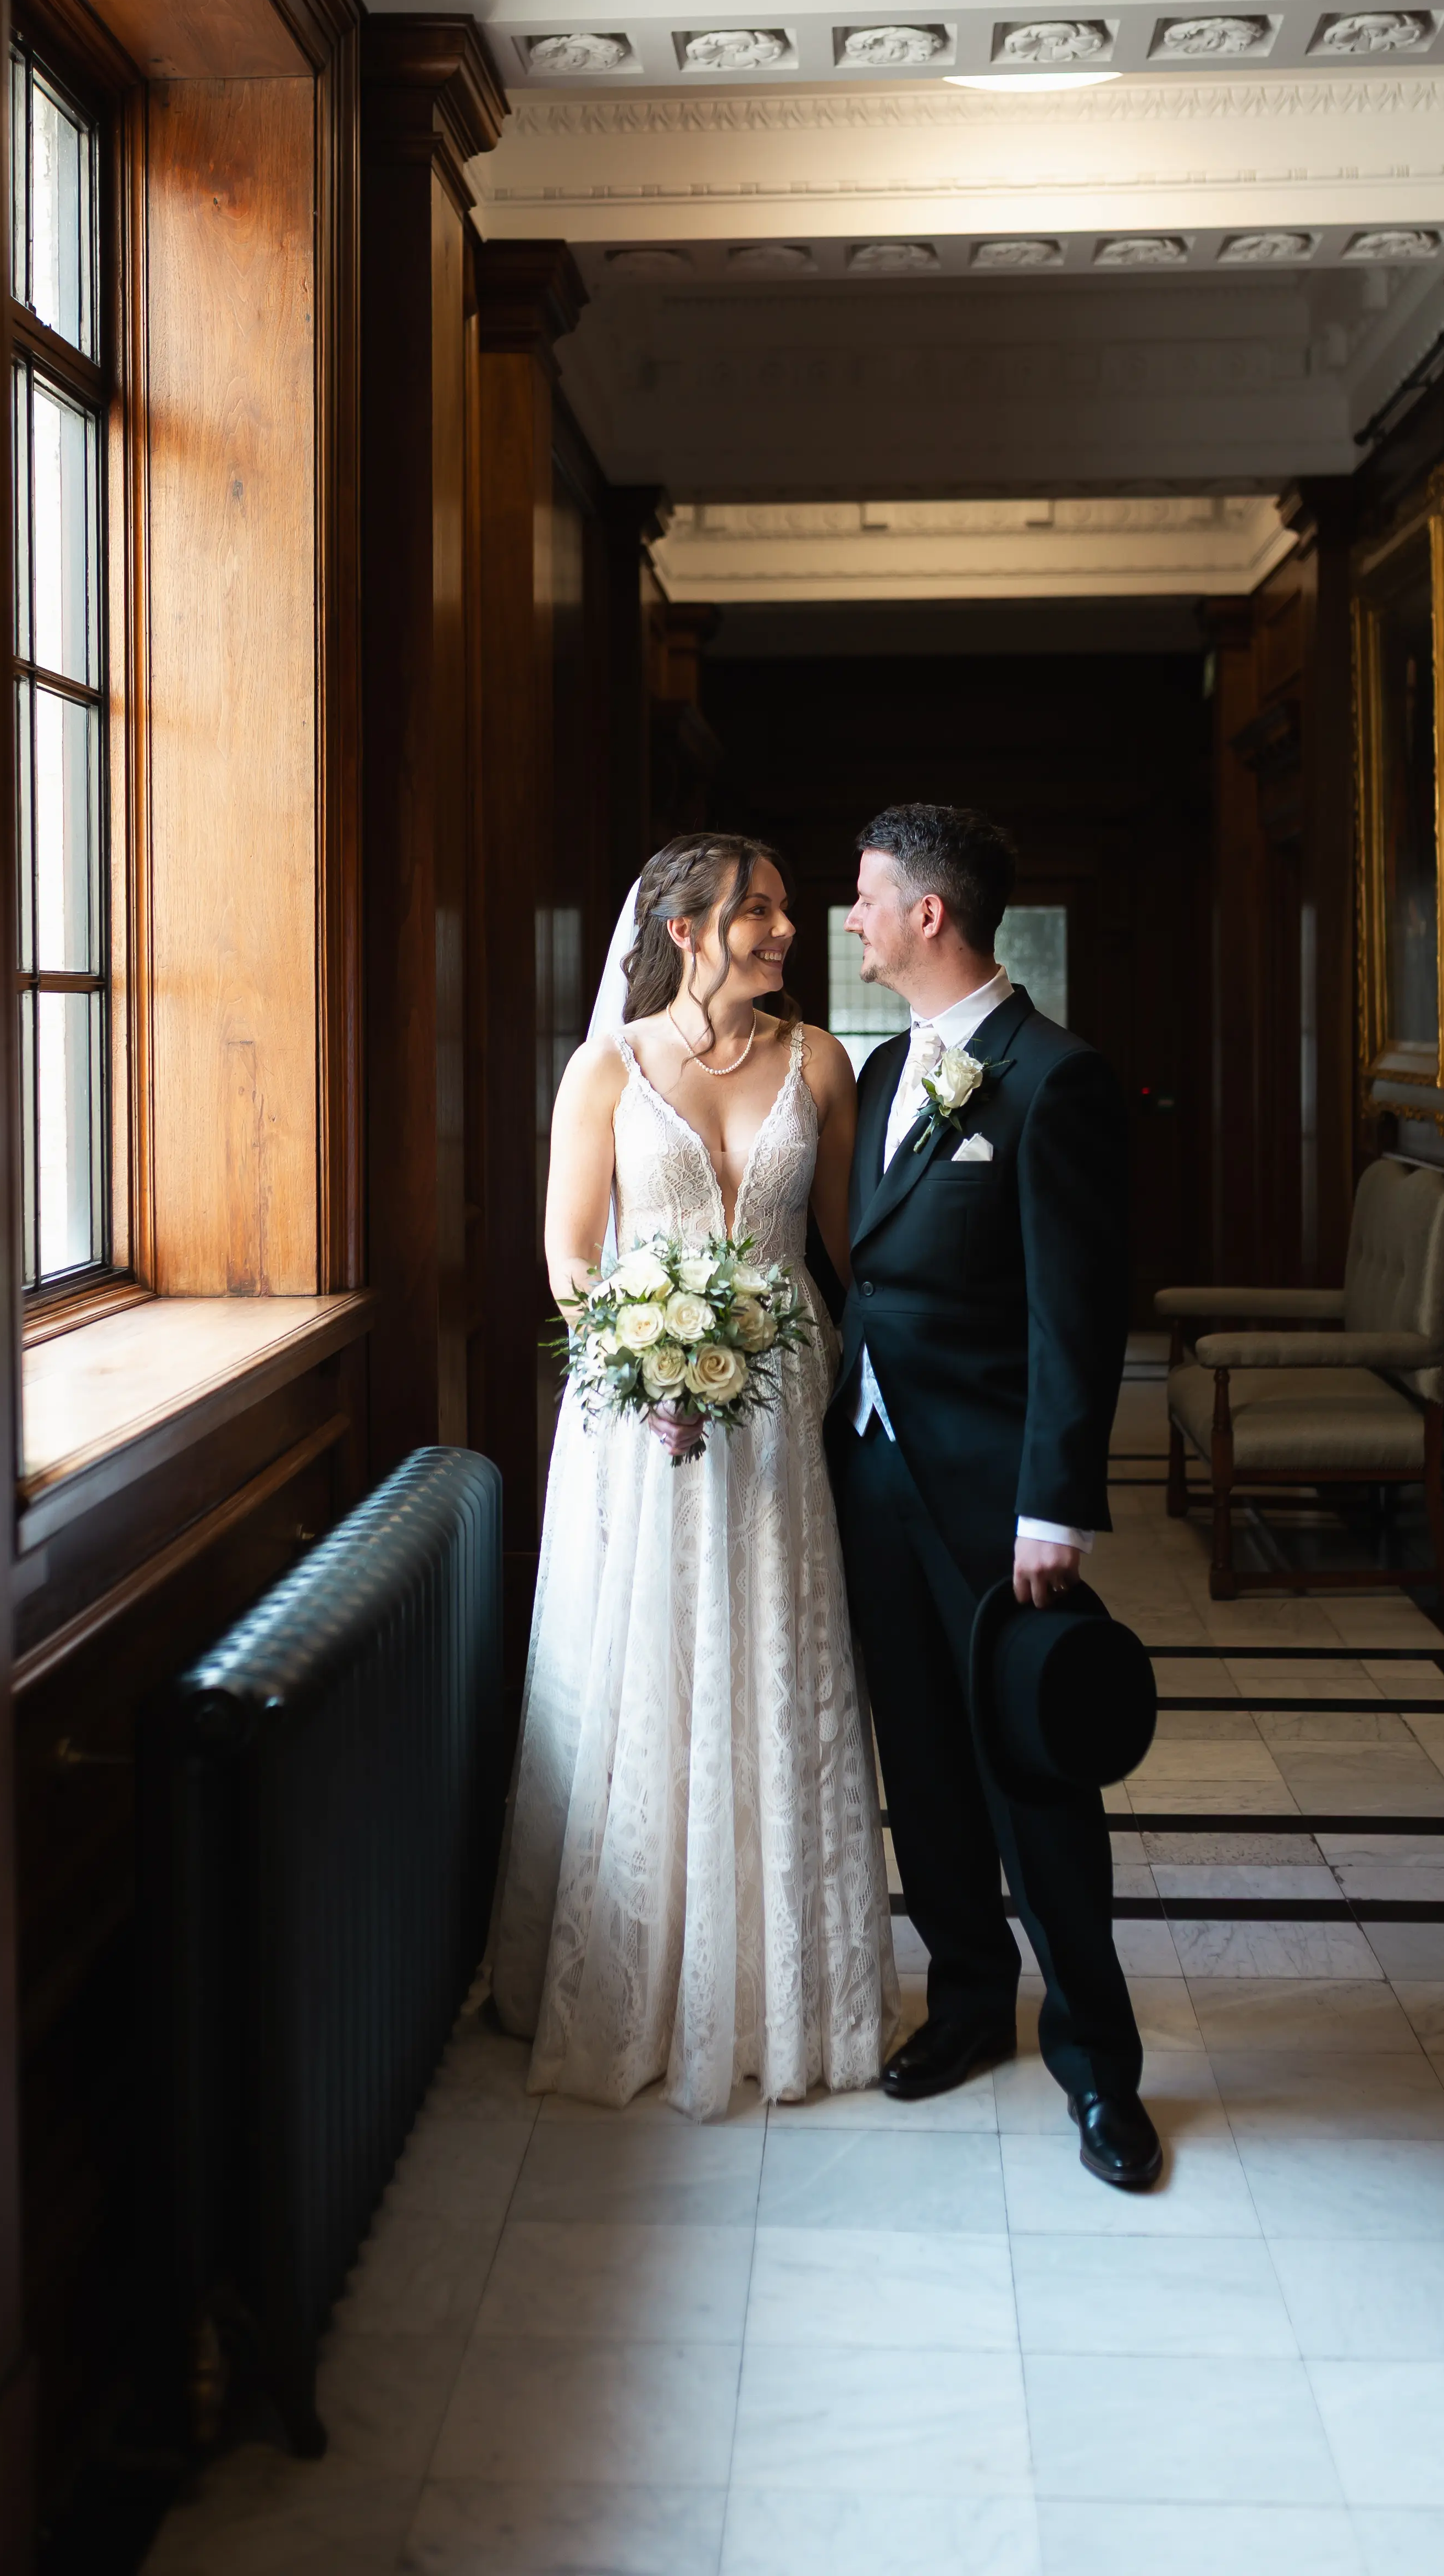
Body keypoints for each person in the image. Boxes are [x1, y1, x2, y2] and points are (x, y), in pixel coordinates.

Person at [491, 832, 899, 2119]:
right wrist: (647, 1362)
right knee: (650, 1658)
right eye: (758, 910)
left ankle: (782, 1987)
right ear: (683, 931)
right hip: (639, 1414)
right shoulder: (606, 1069)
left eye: (784, 908)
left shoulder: (818, 1062)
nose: (785, 929)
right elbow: (569, 1256)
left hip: (781, 1408)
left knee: (775, 1655)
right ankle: (635, 1986)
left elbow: (851, 1249)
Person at [827, 802, 1163, 2190]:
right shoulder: (880, 1068)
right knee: (920, 1761)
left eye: (865, 895)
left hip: (992, 1493)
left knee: (1035, 1775)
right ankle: (968, 2000)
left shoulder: (1054, 1079)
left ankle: (1101, 2068)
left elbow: (1076, 1316)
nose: (851, 917)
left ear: (930, 913)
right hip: (869, 1467)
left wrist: (1052, 1506)